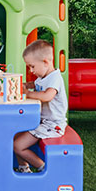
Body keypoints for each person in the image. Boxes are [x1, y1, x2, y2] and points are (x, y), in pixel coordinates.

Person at [13, 39, 68, 173]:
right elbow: (35, 84)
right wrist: (26, 85)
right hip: (42, 121)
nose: (31, 70)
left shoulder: (55, 78)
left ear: (45, 62)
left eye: (32, 66)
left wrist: (27, 94)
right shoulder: (44, 76)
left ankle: (44, 169)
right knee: (15, 134)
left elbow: (47, 95)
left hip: (52, 125)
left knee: (17, 146)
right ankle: (23, 168)